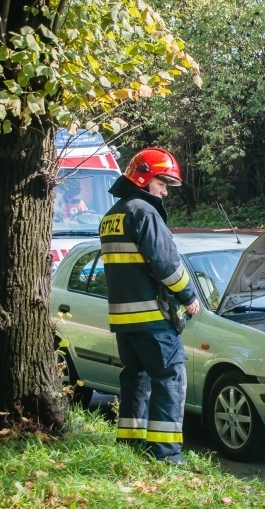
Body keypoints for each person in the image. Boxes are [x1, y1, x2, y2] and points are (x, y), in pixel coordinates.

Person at [99, 147, 200, 463]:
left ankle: (130, 445)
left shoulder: (113, 215)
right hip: (152, 318)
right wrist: (189, 296)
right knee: (170, 377)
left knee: (135, 378)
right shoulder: (144, 213)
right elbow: (167, 265)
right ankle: (166, 455)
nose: (165, 192)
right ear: (143, 178)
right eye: (162, 183)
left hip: (124, 320)